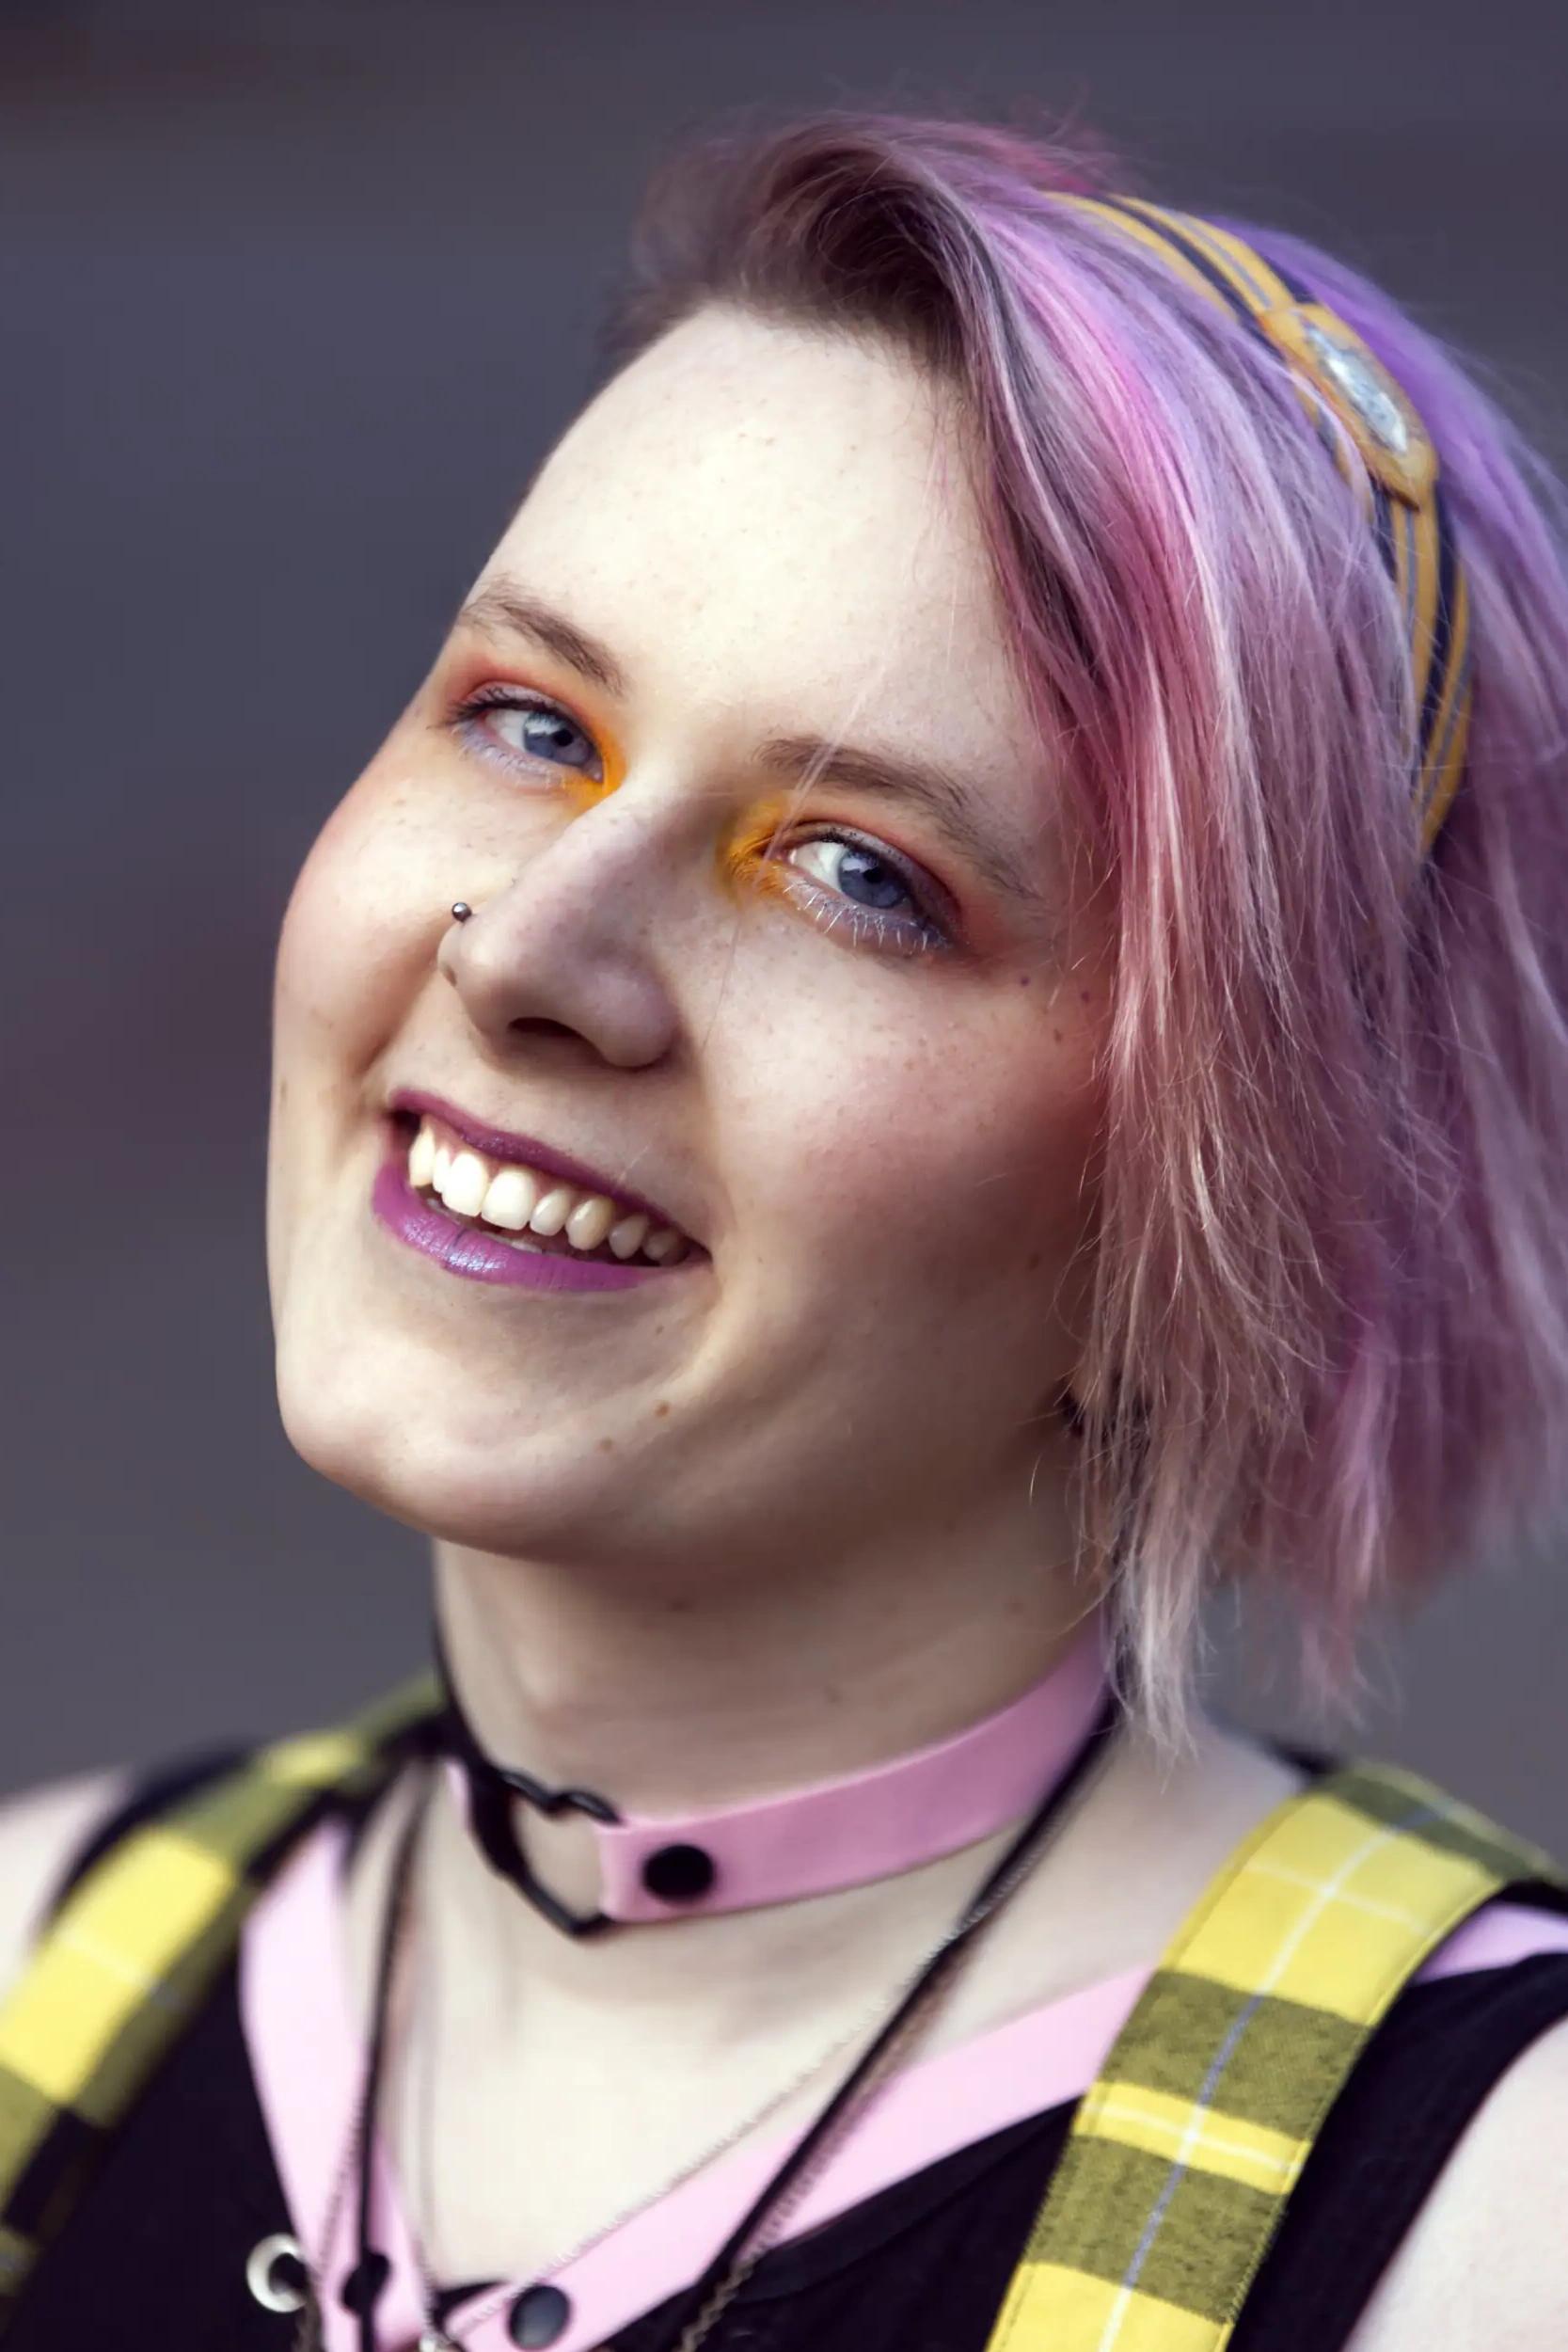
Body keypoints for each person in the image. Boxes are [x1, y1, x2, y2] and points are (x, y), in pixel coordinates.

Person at [1, 106, 1566, 2352]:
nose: (533, 947)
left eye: (861, 872)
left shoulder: (1497, 2229)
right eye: (530, 722)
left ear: (1230, 1191)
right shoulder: (31, 1984)